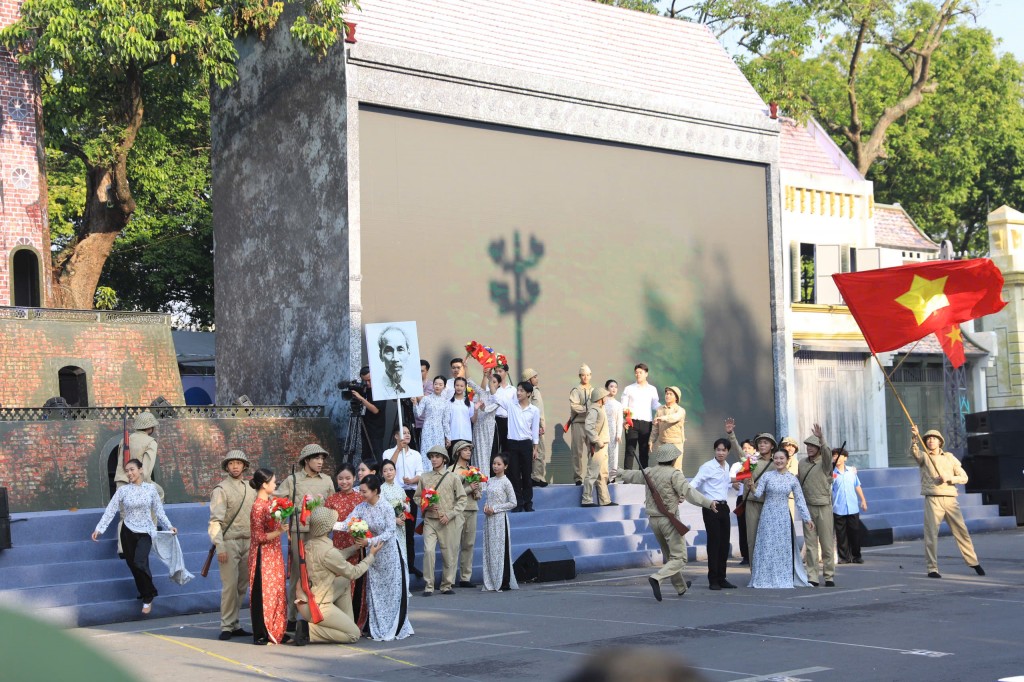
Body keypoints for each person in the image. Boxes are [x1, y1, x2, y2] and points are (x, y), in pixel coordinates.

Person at [613, 444, 718, 601]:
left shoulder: (648, 471)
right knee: (680, 558)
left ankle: (681, 587)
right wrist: (708, 503)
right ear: (673, 459)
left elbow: (634, 475)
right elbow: (689, 492)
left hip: (653, 520)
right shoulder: (674, 474)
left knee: (671, 556)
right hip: (669, 520)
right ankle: (657, 578)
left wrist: (620, 472)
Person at [91, 459, 177, 615]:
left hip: (145, 532)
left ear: (141, 470)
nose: (129, 473)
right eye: (127, 471)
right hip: (127, 531)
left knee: (140, 562)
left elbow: (159, 512)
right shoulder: (123, 491)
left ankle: (149, 595)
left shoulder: (151, 489)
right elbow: (110, 510)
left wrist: (169, 526)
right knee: (133, 566)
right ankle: (145, 593)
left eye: (132, 469)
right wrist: (99, 529)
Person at [338, 473, 414, 641]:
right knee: (376, 592)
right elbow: (347, 522)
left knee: (391, 591)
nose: (362, 494)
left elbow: (390, 531)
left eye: (364, 491)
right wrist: (328, 523)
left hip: (389, 554)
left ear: (374, 491)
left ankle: (394, 626)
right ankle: (377, 626)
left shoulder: (386, 507)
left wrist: (369, 541)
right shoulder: (362, 507)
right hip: (373, 557)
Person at [296, 506, 380, 644]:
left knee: (343, 581)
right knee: (353, 635)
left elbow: (335, 557)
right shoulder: (328, 551)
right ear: (328, 528)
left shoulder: (309, 544)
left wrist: (355, 548)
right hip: (317, 606)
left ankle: (347, 623)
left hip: (306, 598)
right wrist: (371, 555)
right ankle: (309, 631)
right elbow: (354, 573)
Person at [910, 425, 985, 579]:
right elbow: (914, 453)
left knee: (962, 532)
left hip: (950, 498)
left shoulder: (950, 457)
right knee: (931, 534)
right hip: (933, 499)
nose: (930, 441)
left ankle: (973, 562)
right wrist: (915, 438)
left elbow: (964, 478)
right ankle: (932, 568)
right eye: (928, 439)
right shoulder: (924, 456)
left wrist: (948, 478)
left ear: (940, 442)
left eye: (934, 438)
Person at [276, 444, 335, 631]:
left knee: (319, 573)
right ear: (306, 460)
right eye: (316, 458)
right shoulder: (293, 480)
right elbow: (277, 500)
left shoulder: (327, 480)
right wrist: (290, 512)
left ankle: (318, 614)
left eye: (322, 459)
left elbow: (332, 506)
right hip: (299, 532)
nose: (320, 462)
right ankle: (292, 617)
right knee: (297, 574)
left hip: (320, 533)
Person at [749, 449, 814, 589]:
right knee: (767, 546)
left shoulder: (792, 479)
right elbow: (758, 494)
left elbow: (800, 500)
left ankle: (783, 576)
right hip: (768, 515)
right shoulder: (767, 476)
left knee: (782, 548)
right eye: (776, 458)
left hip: (783, 516)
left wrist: (807, 518)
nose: (778, 461)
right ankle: (764, 577)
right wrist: (752, 486)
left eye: (781, 458)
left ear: (787, 460)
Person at [208, 449, 254, 640]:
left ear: (244, 465)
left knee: (242, 585)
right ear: (227, 466)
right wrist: (220, 546)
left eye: (238, 463)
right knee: (230, 585)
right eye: (231, 463)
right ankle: (226, 625)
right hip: (229, 542)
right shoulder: (221, 489)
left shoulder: (251, 487)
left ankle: (235, 623)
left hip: (249, 541)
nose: (235, 466)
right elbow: (215, 521)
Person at [415, 446, 468, 595]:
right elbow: (417, 497)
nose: (434, 459)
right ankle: (429, 586)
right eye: (431, 456)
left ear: (444, 459)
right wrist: (425, 505)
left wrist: (450, 515)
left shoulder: (453, 477)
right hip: (430, 521)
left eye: (437, 456)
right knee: (429, 551)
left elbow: (462, 499)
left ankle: (446, 585)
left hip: (448, 521)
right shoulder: (424, 477)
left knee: (448, 553)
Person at [726, 419, 776, 575]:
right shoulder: (752, 461)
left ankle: (770, 571)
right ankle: (756, 573)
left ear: (772, 446)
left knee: (769, 539)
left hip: (770, 504)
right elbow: (739, 452)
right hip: (752, 504)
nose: (762, 445)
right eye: (760, 442)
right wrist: (731, 435)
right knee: (752, 538)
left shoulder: (777, 462)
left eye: (765, 443)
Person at [113, 410, 164, 555]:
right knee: (158, 495)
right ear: (150, 428)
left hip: (122, 481)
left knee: (124, 514)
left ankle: (122, 547)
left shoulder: (125, 440)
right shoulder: (150, 442)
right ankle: (151, 530)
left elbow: (120, 462)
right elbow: (146, 469)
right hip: (139, 481)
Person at [247, 467, 288, 645]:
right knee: (261, 593)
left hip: (274, 554)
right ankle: (261, 632)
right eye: (273, 481)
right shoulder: (258, 506)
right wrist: (279, 531)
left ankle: (276, 629)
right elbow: (258, 537)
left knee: (277, 592)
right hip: (262, 556)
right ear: (264, 484)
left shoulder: (271, 503)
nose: (275, 483)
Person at [690, 439, 735, 590]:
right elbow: (694, 484)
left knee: (724, 544)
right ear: (714, 450)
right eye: (718, 450)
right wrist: (685, 495)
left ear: (728, 452)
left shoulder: (726, 466)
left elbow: (724, 481)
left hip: (724, 507)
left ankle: (722, 578)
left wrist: (735, 481)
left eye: (723, 450)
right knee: (714, 543)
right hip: (711, 507)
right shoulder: (707, 467)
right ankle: (713, 580)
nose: (720, 453)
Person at [490, 378, 541, 512]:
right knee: (514, 474)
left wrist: (535, 448)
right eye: (518, 390)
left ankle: (528, 502)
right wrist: (490, 379)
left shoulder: (534, 410)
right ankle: (517, 502)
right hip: (512, 443)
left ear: (528, 394)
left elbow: (535, 430)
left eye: (521, 391)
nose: (518, 393)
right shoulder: (511, 405)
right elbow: (494, 396)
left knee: (526, 474)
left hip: (526, 444)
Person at [798, 424, 836, 587]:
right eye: (808, 446)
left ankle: (829, 575)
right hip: (808, 506)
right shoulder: (802, 463)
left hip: (824, 506)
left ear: (819, 448)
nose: (810, 449)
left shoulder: (825, 462)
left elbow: (828, 454)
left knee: (827, 543)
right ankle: (812, 575)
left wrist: (822, 439)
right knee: (811, 544)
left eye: (813, 446)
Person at [385, 426, 423, 578]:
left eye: (408, 433)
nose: (407, 435)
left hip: (410, 492)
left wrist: (412, 479)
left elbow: (420, 474)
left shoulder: (416, 454)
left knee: (409, 530)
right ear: (396, 436)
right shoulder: (388, 452)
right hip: (394, 492)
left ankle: (410, 564)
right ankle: (397, 565)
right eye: (403, 433)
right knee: (395, 528)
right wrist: (398, 450)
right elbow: (388, 467)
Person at [482, 453, 519, 592]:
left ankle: (503, 581)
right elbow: (488, 498)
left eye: (499, 464)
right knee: (490, 549)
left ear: (505, 466)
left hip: (499, 519)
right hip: (488, 519)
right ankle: (491, 579)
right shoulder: (490, 480)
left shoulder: (506, 482)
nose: (495, 466)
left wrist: (496, 509)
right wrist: (486, 507)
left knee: (500, 549)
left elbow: (513, 502)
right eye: (494, 464)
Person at [450, 440, 482, 587]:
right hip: (458, 510)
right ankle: (449, 579)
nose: (469, 452)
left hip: (472, 508)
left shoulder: (474, 470)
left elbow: (479, 492)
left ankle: (465, 578)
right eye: (465, 450)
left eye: (470, 449)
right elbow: (453, 493)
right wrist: (469, 488)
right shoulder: (452, 471)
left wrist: (477, 491)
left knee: (469, 544)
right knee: (454, 544)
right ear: (458, 452)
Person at [620, 363, 660, 470]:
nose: (638, 374)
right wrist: (625, 419)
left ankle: (643, 477)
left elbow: (655, 404)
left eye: (640, 372)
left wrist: (665, 408)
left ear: (646, 374)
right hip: (632, 422)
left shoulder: (652, 389)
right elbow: (624, 406)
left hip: (646, 423)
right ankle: (627, 477)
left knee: (644, 451)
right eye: (636, 372)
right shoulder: (629, 388)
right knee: (630, 450)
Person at [831, 448, 867, 564]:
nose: (837, 458)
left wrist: (863, 500)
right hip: (838, 507)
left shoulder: (851, 471)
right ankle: (844, 557)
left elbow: (857, 485)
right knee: (841, 535)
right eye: (835, 456)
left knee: (855, 533)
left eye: (840, 455)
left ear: (845, 458)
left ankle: (856, 556)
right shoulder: (832, 473)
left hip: (852, 507)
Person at [378, 459, 411, 581]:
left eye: (391, 470)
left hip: (401, 527)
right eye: (385, 471)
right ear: (382, 474)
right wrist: (394, 519)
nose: (388, 472)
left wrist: (404, 514)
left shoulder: (400, 489)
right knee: (393, 555)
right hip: (389, 527)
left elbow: (407, 505)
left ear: (395, 472)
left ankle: (404, 586)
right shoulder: (381, 490)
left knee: (403, 554)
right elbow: (381, 510)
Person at [581, 387, 613, 508]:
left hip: (603, 444)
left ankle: (605, 500)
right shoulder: (594, 409)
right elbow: (589, 426)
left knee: (603, 474)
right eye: (605, 396)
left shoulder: (600, 408)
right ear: (600, 398)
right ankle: (586, 499)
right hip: (598, 445)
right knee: (592, 472)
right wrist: (597, 440)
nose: (607, 398)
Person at [729, 438, 757, 565]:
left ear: (754, 450)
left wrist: (739, 479)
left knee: (755, 527)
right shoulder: (737, 465)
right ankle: (745, 555)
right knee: (743, 527)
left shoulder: (757, 463)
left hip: (756, 498)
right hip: (742, 498)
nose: (746, 450)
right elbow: (730, 479)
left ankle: (756, 555)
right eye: (744, 448)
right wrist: (738, 480)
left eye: (749, 448)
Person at [351, 366, 387, 462]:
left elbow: (375, 410)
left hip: (376, 428)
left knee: (376, 453)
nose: (367, 383)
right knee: (365, 453)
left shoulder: (380, 390)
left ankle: (378, 475)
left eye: (369, 380)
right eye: (365, 381)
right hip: (365, 425)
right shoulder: (365, 389)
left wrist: (361, 399)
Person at [413, 376, 450, 469]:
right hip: (427, 429)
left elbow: (445, 421)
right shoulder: (426, 399)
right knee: (427, 452)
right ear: (433, 385)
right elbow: (418, 413)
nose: (437, 386)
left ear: (444, 387)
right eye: (436, 384)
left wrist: (448, 437)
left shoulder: (445, 402)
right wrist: (414, 403)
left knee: (439, 452)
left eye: (440, 384)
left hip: (439, 431)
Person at [523, 368, 550, 488]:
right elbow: (535, 410)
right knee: (538, 451)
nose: (536, 379)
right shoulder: (531, 392)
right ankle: (536, 477)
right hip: (535, 426)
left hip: (537, 425)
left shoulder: (533, 391)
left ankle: (536, 476)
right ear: (529, 379)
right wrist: (539, 425)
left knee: (538, 451)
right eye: (534, 377)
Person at [568, 365, 594, 485]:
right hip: (578, 423)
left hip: (590, 424)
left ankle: (591, 475)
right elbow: (574, 406)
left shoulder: (594, 391)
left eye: (588, 375)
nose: (586, 377)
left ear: (590, 376)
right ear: (580, 376)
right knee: (577, 452)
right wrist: (587, 408)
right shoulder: (576, 390)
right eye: (583, 375)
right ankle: (578, 477)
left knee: (592, 451)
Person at [650, 386, 685, 470]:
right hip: (662, 443)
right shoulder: (660, 409)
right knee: (662, 469)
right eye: (666, 393)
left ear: (676, 398)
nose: (667, 396)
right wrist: (651, 440)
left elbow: (675, 417)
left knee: (676, 469)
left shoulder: (680, 410)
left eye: (670, 394)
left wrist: (662, 418)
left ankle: (677, 483)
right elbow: (655, 428)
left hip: (675, 443)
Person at [472, 373, 501, 472]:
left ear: (499, 384)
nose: (491, 384)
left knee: (486, 455)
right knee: (476, 453)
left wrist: (483, 408)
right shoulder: (482, 393)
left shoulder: (498, 397)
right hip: (477, 426)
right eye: (490, 381)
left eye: (494, 382)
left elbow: (488, 409)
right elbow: (470, 382)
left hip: (488, 429)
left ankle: (485, 480)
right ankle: (475, 479)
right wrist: (466, 366)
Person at [375, 325, 413, 399]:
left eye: (400, 349)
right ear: (380, 356)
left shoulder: (415, 388)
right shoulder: (377, 390)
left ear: (408, 353)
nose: (395, 358)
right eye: (388, 351)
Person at [446, 377, 476, 450]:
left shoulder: (470, 404)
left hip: (466, 436)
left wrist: (476, 409)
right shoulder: (448, 403)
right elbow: (446, 421)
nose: (459, 388)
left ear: (465, 387)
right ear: (454, 386)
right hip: (453, 436)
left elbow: (474, 420)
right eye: (457, 385)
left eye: (461, 386)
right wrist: (447, 437)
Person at [604, 380, 625, 484]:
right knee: (603, 454)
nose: (614, 389)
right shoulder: (602, 402)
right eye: (611, 386)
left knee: (613, 454)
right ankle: (603, 476)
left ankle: (611, 477)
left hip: (613, 431)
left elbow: (620, 420)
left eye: (616, 387)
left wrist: (618, 434)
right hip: (603, 430)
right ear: (607, 388)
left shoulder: (618, 404)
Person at [415, 359, 432, 448]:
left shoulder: (431, 385)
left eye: (422, 371)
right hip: (412, 421)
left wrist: (412, 389)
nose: (419, 373)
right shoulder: (413, 383)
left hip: (424, 422)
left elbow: (424, 400)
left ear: (427, 371)